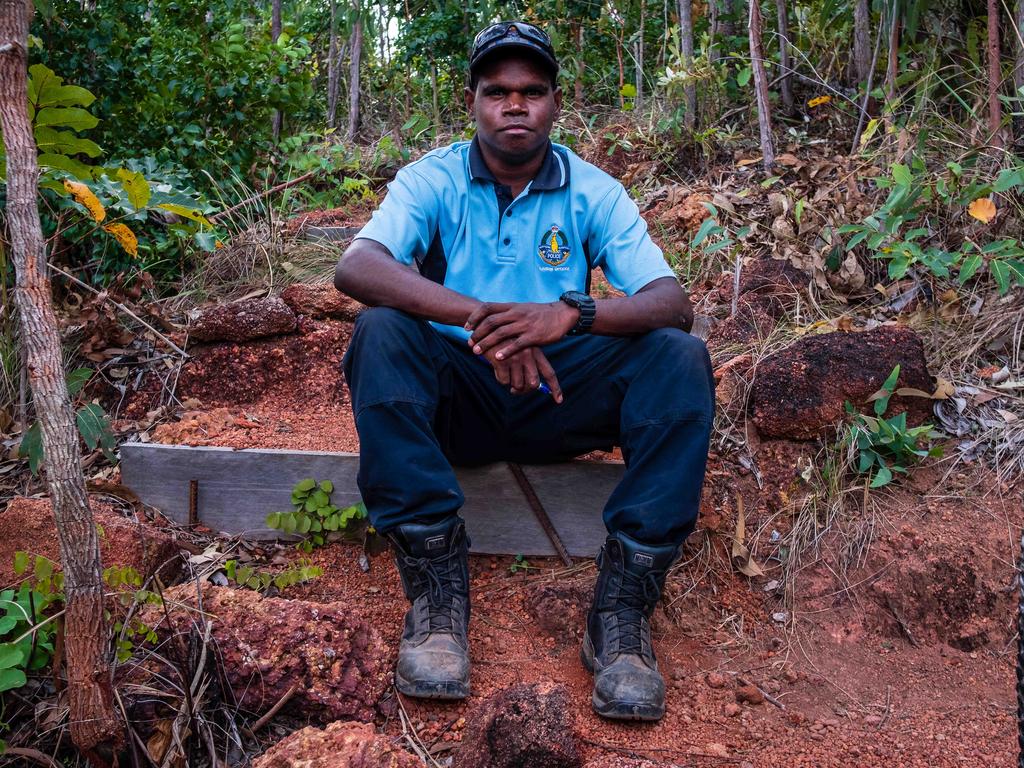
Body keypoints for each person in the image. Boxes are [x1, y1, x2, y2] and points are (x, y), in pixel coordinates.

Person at [334, 20, 714, 722]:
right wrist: (489, 321)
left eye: (532, 91)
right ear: (474, 101)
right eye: (498, 91)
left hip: (560, 395)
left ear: (555, 104)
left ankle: (623, 615)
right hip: (462, 397)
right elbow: (357, 266)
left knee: (678, 357)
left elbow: (673, 302)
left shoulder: (592, 190)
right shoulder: (433, 177)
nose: (516, 105)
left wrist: (571, 315)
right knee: (382, 330)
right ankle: (438, 601)